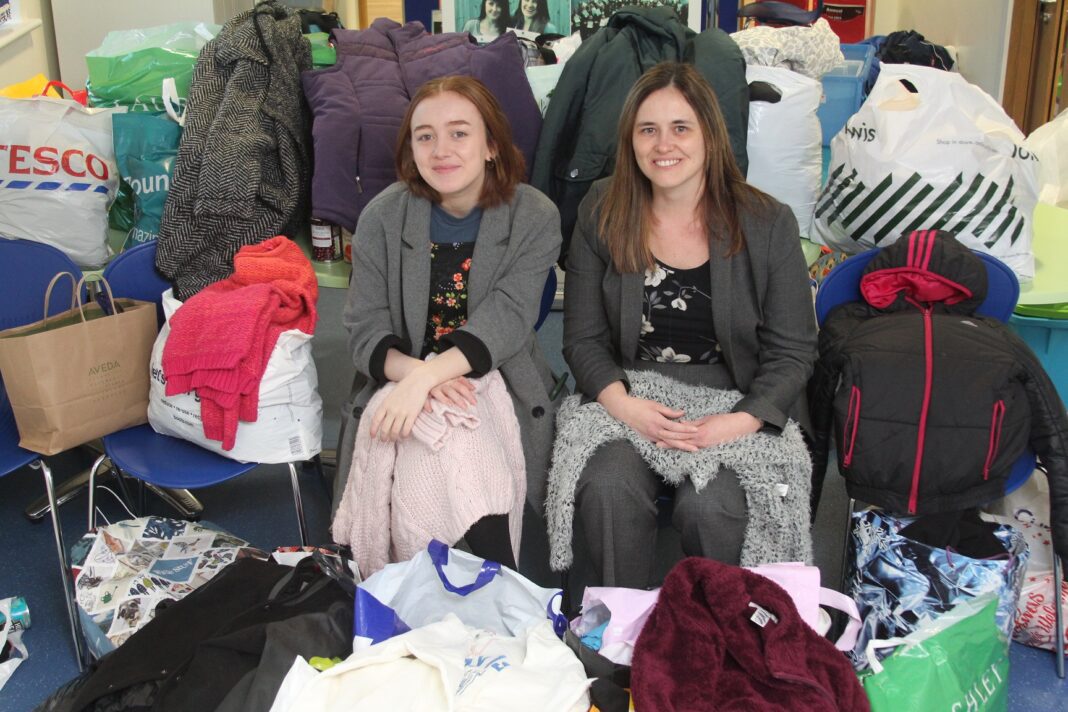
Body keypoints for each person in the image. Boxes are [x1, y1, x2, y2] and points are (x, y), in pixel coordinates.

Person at [560, 62, 817, 587]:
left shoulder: (767, 222)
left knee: (714, 508)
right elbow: (583, 338)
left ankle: (717, 643)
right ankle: (614, 639)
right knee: (608, 489)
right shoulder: (602, 211)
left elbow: (793, 352)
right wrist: (624, 406)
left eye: (681, 128)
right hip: (632, 390)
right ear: (630, 140)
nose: (663, 144)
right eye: (647, 129)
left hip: (735, 396)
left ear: (709, 135)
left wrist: (739, 421)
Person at [335, 75, 562, 572]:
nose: (441, 150)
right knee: (438, 453)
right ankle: (490, 595)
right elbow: (363, 326)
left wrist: (426, 379)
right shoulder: (381, 217)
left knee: (458, 448)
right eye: (425, 136)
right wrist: (415, 377)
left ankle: (467, 599)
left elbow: (508, 317)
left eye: (459, 133)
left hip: (493, 373)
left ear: (491, 146)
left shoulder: (534, 215)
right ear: (410, 148)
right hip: (402, 372)